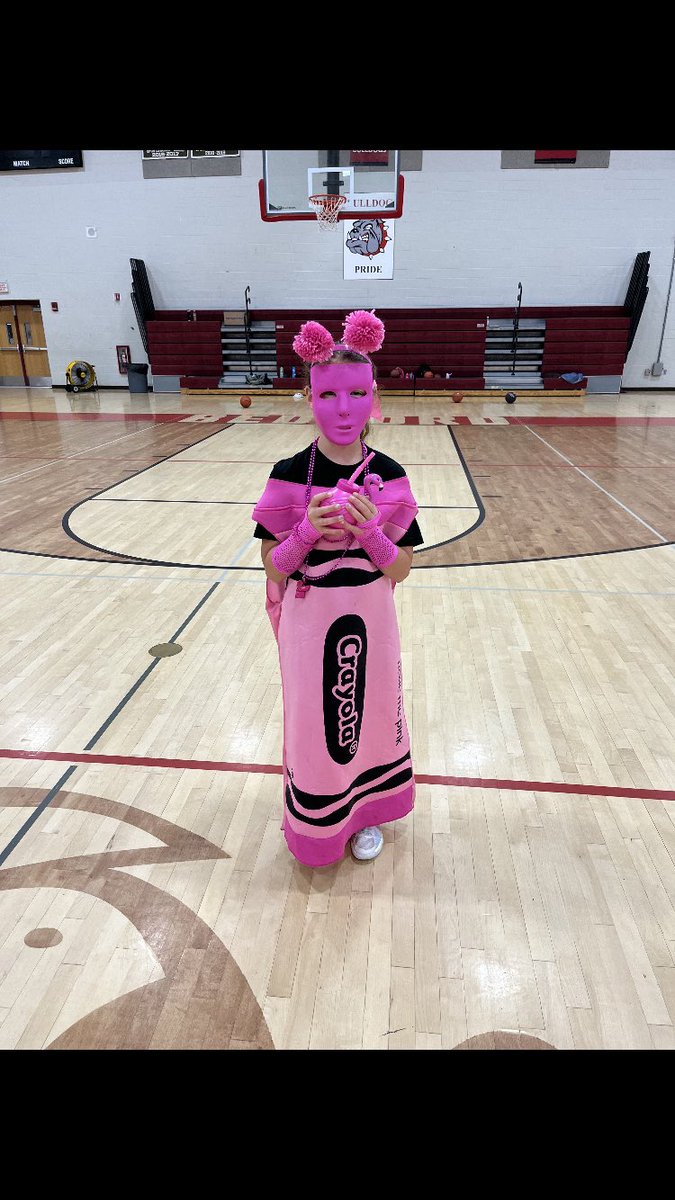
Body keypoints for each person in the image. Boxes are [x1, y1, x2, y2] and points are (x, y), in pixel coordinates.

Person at [252, 311, 423, 867]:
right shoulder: (286, 473)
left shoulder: (391, 475)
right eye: (328, 395)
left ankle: (366, 813)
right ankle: (319, 820)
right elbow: (273, 569)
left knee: (369, 716)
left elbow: (401, 570)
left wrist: (371, 533)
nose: (343, 409)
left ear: (373, 398)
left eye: (356, 394)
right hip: (310, 622)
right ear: (309, 396)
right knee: (317, 722)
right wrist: (307, 532)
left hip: (371, 618)